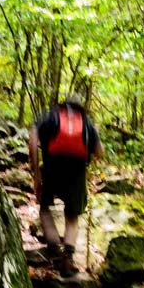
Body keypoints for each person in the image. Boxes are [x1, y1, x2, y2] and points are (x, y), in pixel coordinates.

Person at [29, 94, 102, 277]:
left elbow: (32, 141)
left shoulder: (50, 116)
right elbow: (100, 152)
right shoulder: (86, 122)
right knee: (72, 216)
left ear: (63, 104)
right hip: (76, 173)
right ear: (80, 107)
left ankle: (54, 249)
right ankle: (67, 259)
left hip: (52, 168)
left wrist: (36, 175)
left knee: (45, 208)